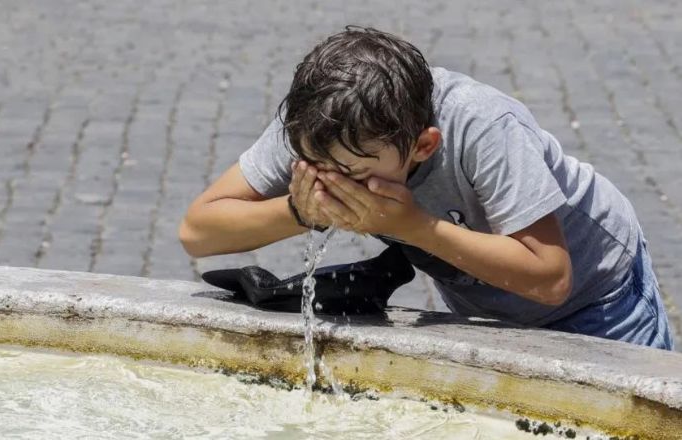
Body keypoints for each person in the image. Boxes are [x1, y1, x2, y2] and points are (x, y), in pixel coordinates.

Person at [178, 26, 675, 351]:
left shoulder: (484, 126)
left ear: (422, 146)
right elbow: (198, 232)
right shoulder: (323, 125)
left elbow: (550, 278)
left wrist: (413, 226)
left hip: (599, 299)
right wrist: (299, 211)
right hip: (485, 304)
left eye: (351, 173)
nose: (331, 180)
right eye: (314, 164)